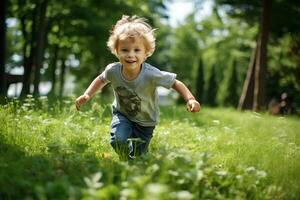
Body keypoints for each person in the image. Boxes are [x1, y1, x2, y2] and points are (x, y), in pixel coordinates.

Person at [75, 15, 200, 160]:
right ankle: (124, 161)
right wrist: (87, 95)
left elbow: (175, 83)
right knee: (118, 140)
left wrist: (190, 99)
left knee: (139, 156)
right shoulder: (113, 71)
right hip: (122, 114)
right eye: (125, 50)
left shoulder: (151, 74)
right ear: (116, 51)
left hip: (146, 121)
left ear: (146, 53)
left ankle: (135, 163)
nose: (130, 55)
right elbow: (101, 79)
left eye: (136, 50)